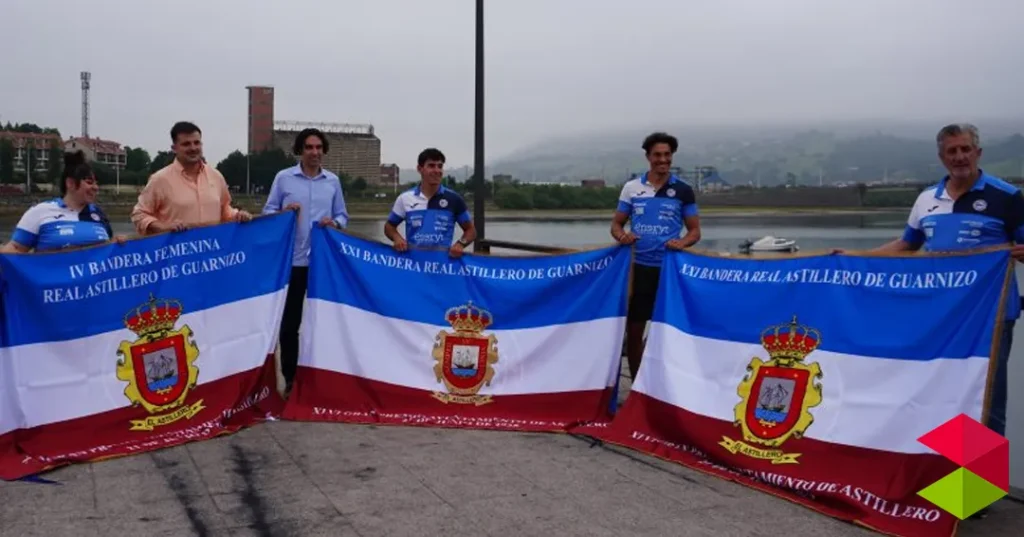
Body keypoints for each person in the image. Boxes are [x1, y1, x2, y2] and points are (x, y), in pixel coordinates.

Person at [854, 123, 1023, 518]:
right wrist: (854, 258)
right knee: (943, 394)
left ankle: (976, 495)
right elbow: (907, 244)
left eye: (966, 149)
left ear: (978, 153)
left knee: (986, 398)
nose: (960, 157)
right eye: (952, 151)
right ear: (941, 157)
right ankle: (944, 474)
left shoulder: (1008, 198)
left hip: (992, 318)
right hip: (940, 319)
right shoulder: (926, 199)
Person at [262, 128, 349, 394]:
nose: (314, 152)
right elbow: (267, 212)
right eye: (309, 147)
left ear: (324, 151)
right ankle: (290, 379)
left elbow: (343, 216)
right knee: (290, 325)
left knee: (324, 322)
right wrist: (283, 213)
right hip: (292, 262)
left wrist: (334, 223)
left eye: (318, 148)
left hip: (323, 265)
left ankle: (322, 376)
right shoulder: (284, 178)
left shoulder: (332, 182)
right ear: (300, 150)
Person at [610, 132, 702, 380]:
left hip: (669, 270)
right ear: (648, 157)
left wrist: (681, 243)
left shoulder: (682, 190)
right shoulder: (632, 188)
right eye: (657, 155)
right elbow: (616, 226)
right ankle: (638, 382)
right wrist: (623, 237)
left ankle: (661, 381)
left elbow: (695, 232)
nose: (663, 160)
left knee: (667, 327)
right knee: (635, 326)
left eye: (667, 155)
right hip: (638, 268)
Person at [131, 121, 251, 235]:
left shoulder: (216, 176)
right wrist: (163, 226)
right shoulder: (159, 180)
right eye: (186, 144)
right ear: (174, 148)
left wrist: (237, 215)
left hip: (213, 252)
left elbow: (224, 209)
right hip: (176, 252)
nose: (193, 148)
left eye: (196, 143)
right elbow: (139, 215)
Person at [1, 150, 125, 253]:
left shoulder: (99, 215)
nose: (96, 187)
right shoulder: (40, 212)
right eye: (89, 182)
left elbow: (108, 255)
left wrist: (118, 244)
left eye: (96, 183)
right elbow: (14, 251)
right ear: (70, 183)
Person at [384, 148, 476, 257]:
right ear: (420, 169)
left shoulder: (454, 199)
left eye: (440, 166)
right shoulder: (405, 198)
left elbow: (471, 230)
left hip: (443, 267)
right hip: (414, 266)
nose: (437, 170)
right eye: (431, 166)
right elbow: (389, 227)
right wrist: (397, 238)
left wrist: (461, 244)